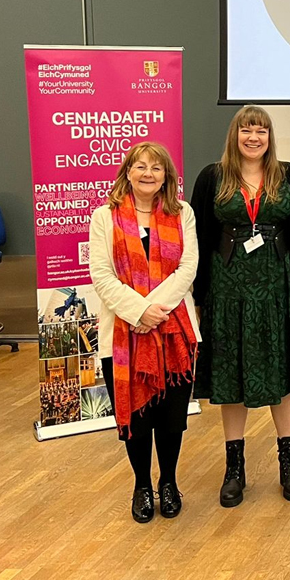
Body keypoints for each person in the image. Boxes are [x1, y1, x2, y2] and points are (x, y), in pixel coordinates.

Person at [192, 106, 290, 508]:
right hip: (228, 291)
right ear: (235, 135)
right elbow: (200, 239)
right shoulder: (212, 177)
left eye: (261, 130)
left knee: (282, 374)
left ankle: (289, 463)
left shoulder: (288, 175)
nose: (254, 137)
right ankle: (234, 468)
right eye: (247, 130)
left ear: (269, 137)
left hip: (277, 288)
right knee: (232, 375)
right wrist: (200, 296)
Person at [88, 142, 199, 523]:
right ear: (128, 173)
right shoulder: (104, 217)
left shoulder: (182, 213)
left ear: (167, 175)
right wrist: (138, 312)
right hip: (123, 333)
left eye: (156, 168)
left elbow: (188, 269)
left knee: (171, 417)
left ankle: (168, 481)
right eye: (141, 167)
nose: (148, 174)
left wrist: (153, 311)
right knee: (136, 419)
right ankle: (141, 485)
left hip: (174, 333)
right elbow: (101, 275)